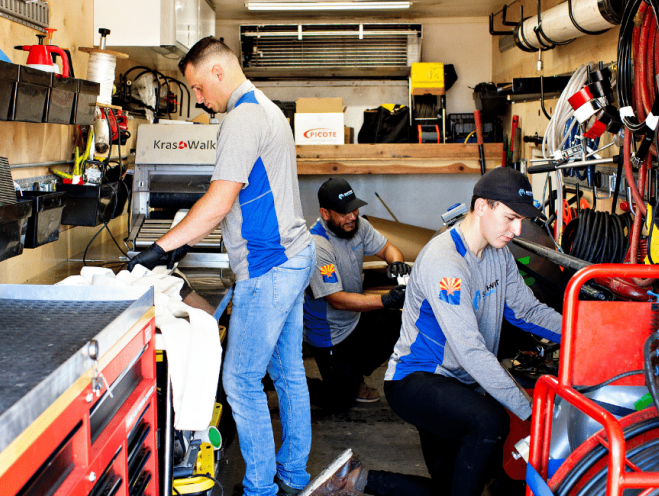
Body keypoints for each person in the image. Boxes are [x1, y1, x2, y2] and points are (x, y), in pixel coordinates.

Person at [128, 37, 315, 496]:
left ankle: (259, 488)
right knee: (287, 371)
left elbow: (218, 202)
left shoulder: (242, 118)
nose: (197, 98)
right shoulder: (268, 110)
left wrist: (159, 249)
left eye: (196, 87)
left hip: (269, 267)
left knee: (240, 379)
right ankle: (292, 474)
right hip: (294, 255)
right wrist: (180, 239)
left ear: (216, 73)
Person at [315, 167, 563, 496]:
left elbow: (527, 310)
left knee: (453, 487)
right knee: (490, 422)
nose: (516, 230)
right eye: (510, 218)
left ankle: (354, 481)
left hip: (458, 382)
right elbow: (471, 351)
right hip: (416, 379)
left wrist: (583, 334)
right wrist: (530, 412)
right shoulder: (445, 261)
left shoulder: (498, 254)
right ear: (482, 207)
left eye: (521, 220)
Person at [304, 178, 410, 409]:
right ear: (325, 213)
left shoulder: (358, 225)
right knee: (340, 401)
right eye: (343, 212)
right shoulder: (317, 245)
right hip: (330, 333)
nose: (352, 216)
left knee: (403, 322)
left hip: (356, 318)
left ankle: (353, 374)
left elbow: (388, 249)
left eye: (354, 209)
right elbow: (337, 301)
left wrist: (396, 263)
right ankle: (277, 381)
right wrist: (384, 300)